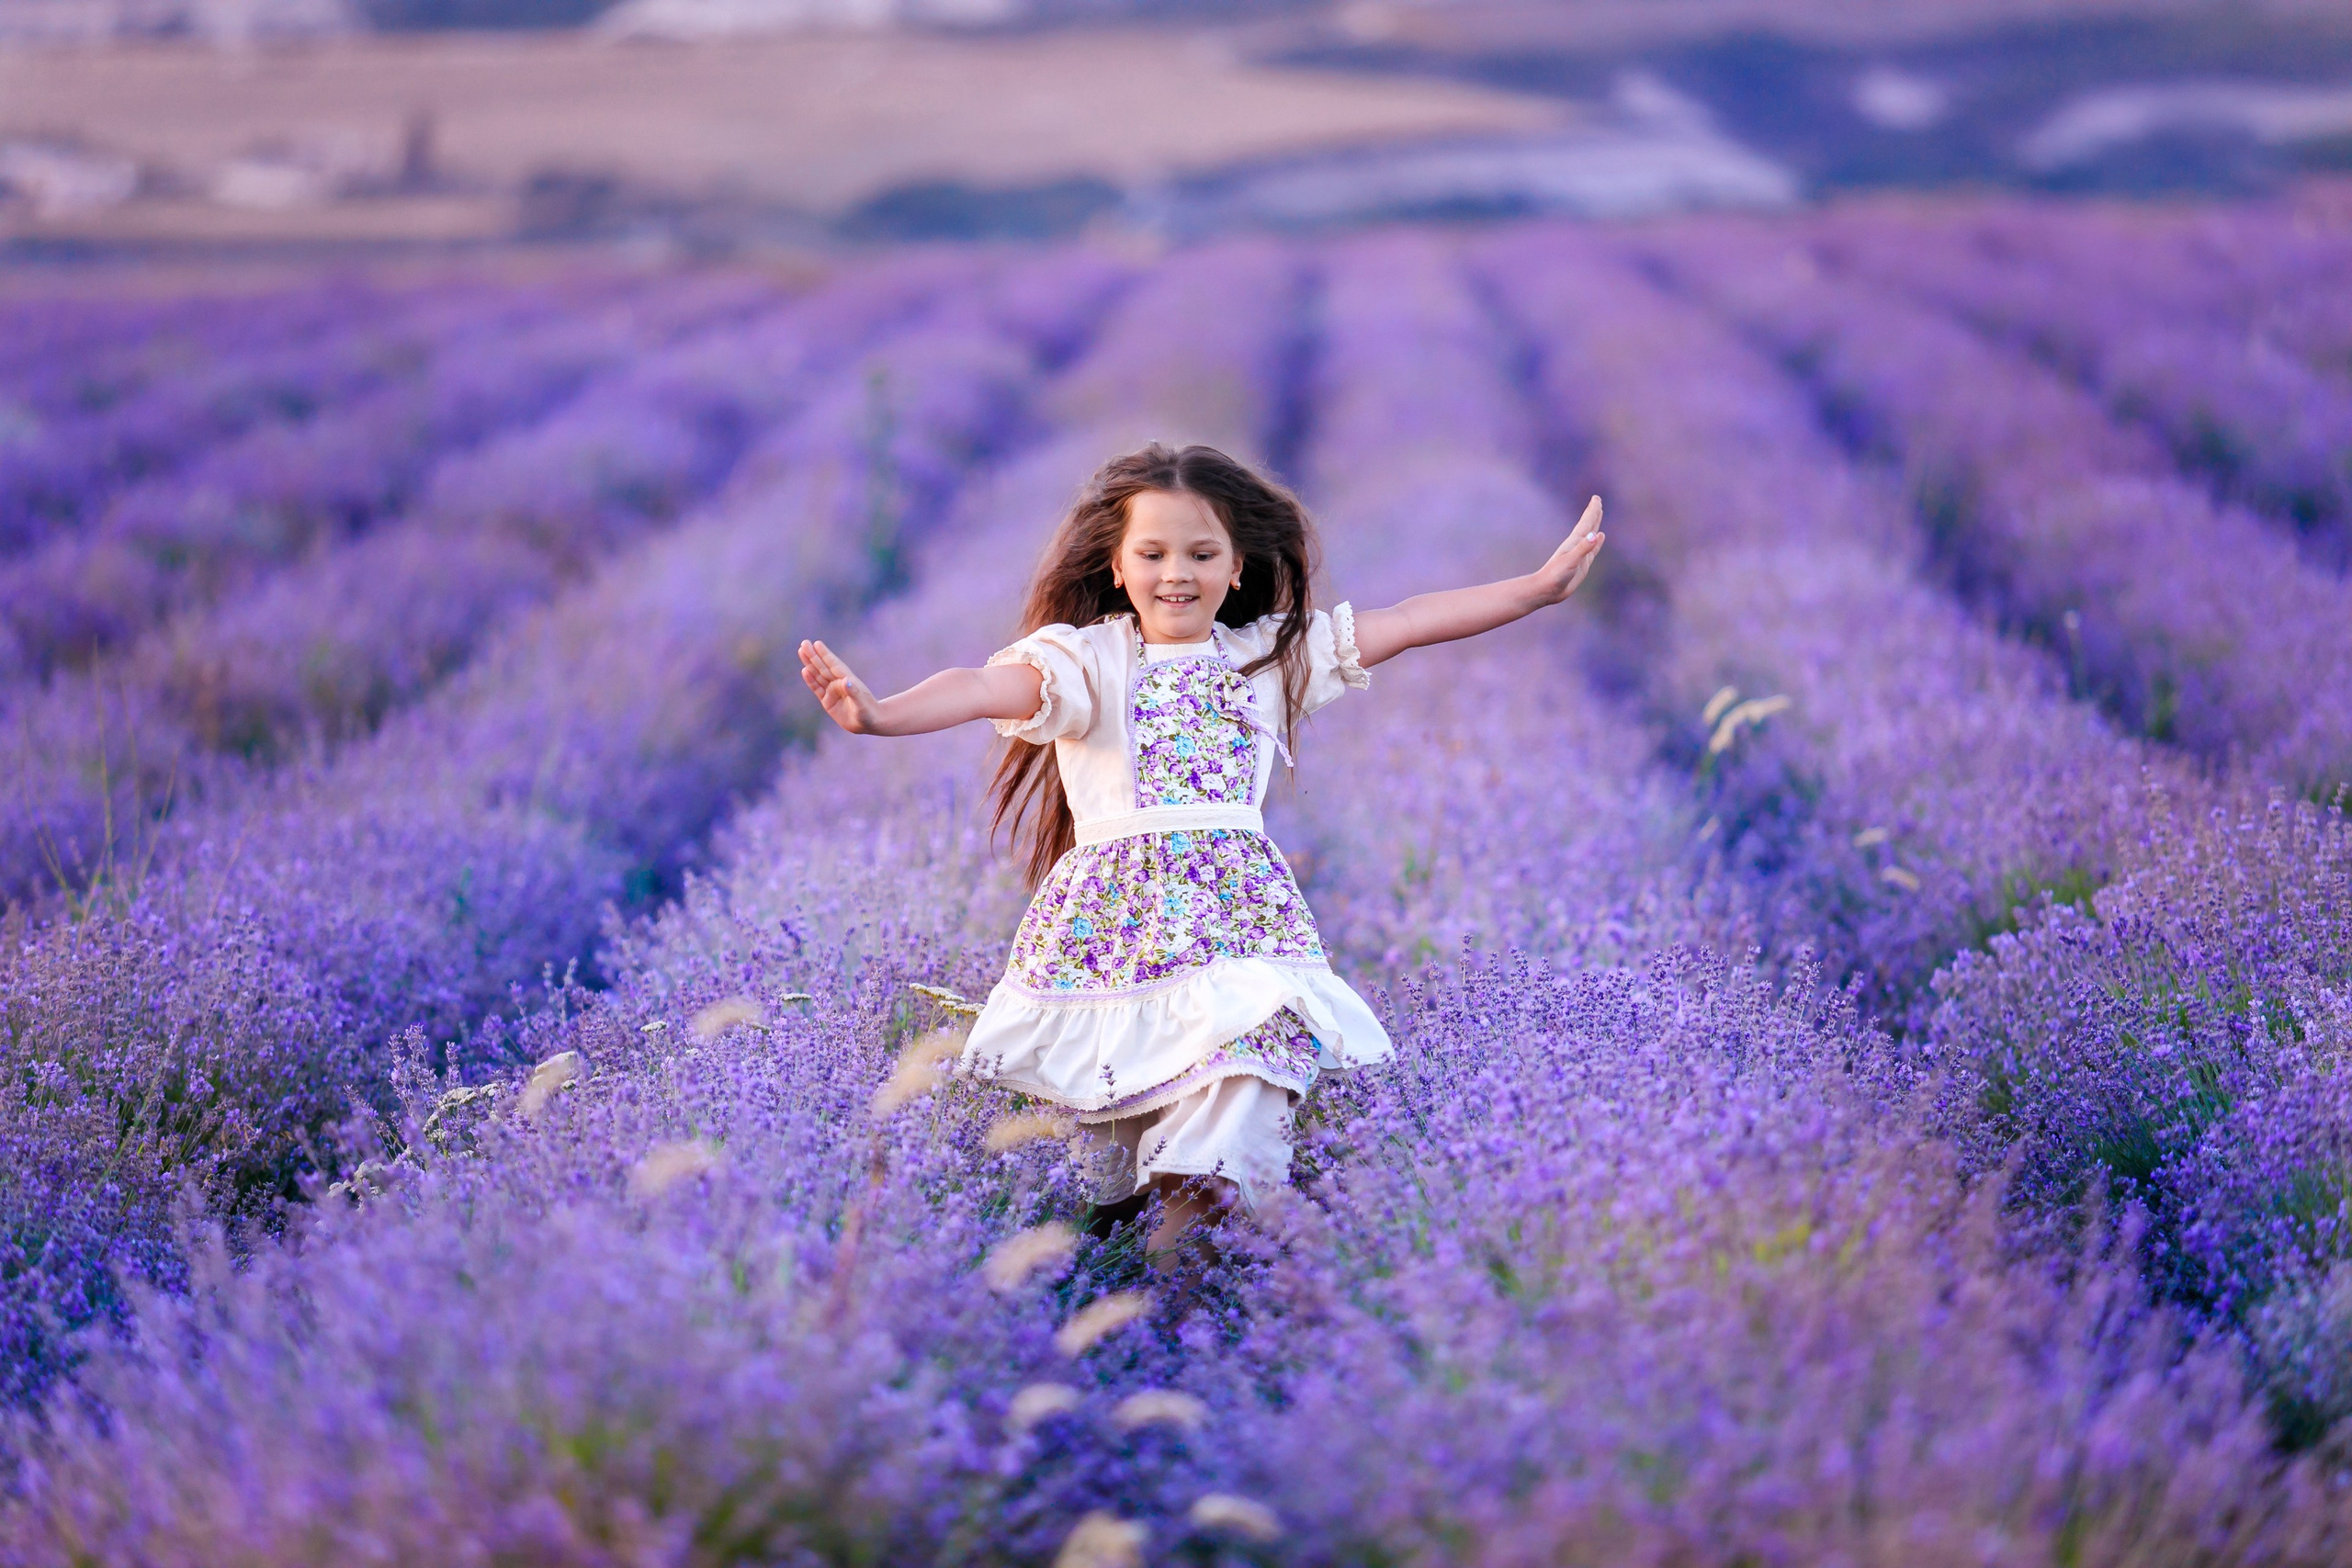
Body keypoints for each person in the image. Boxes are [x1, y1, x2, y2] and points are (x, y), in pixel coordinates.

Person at [798, 443, 1604, 1256]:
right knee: (1107, 1141)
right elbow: (980, 686)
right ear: (1115, 567)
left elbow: (1407, 621)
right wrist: (882, 713)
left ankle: (1186, 1255)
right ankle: (1128, 1272)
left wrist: (1533, 591)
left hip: (1243, 924)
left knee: (1249, 1065)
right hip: (1112, 936)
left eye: (1200, 553)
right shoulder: (1091, 662)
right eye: (1151, 553)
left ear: (1236, 565)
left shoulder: (1267, 656)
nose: (1174, 573)